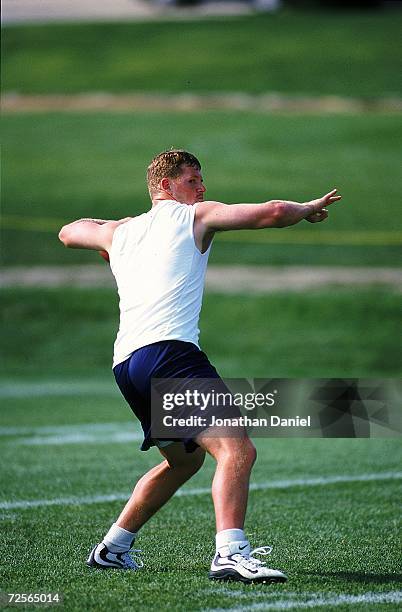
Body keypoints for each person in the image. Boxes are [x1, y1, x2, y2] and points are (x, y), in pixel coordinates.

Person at [58, 149, 341, 583]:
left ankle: (113, 547)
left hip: (126, 365)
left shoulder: (120, 232)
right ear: (167, 186)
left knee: (185, 462)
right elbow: (273, 212)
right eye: (193, 179)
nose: (202, 188)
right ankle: (230, 552)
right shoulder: (194, 216)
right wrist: (305, 209)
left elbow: (68, 232)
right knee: (237, 449)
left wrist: (111, 230)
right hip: (170, 355)